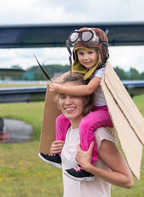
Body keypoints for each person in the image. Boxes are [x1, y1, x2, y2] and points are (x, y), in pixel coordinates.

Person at [39, 27, 113, 181]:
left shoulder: (101, 71)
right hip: (93, 109)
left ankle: (87, 166)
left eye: (90, 52)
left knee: (86, 124)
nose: (86, 57)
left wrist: (61, 88)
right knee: (61, 119)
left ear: (100, 53)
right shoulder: (88, 71)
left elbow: (89, 89)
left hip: (106, 111)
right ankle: (60, 155)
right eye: (81, 53)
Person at [51, 73, 133, 196]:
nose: (67, 102)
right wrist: (60, 152)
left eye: (74, 96)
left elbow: (127, 181)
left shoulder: (98, 134)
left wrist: (90, 169)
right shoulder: (68, 131)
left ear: (86, 99)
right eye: (63, 97)